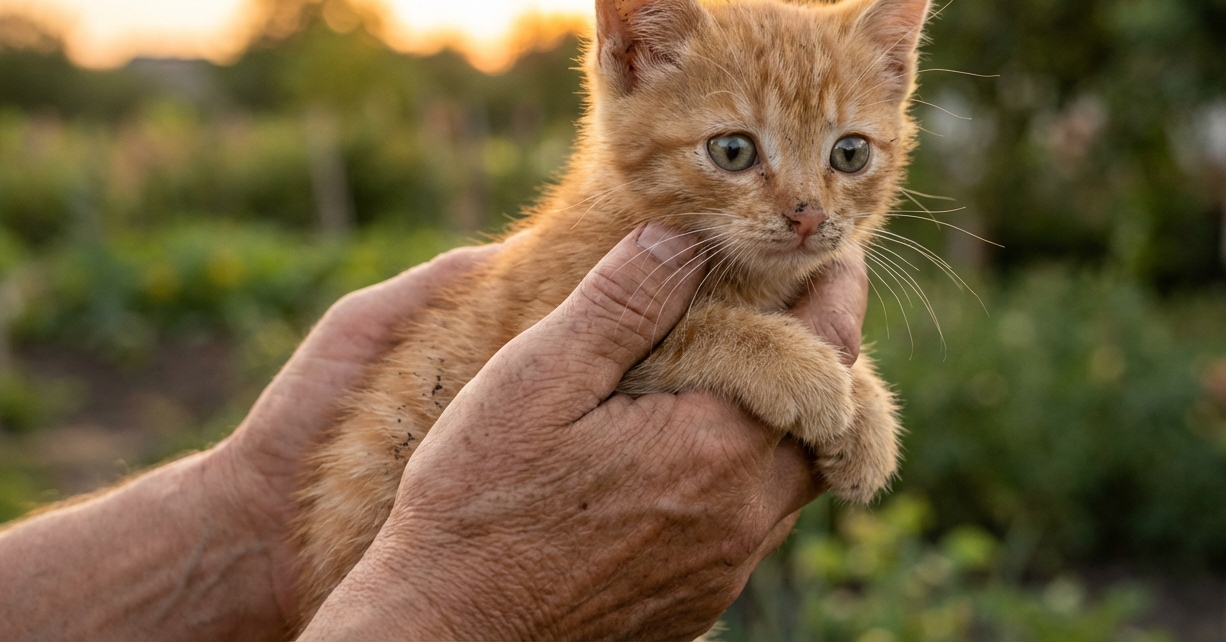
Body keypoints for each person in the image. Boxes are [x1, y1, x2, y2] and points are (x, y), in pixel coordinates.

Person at [0, 222, 868, 640]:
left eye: (848, 156)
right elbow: (605, 372)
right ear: (630, 62)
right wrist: (467, 610)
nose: (805, 207)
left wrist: (247, 509)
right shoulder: (606, 238)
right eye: (731, 153)